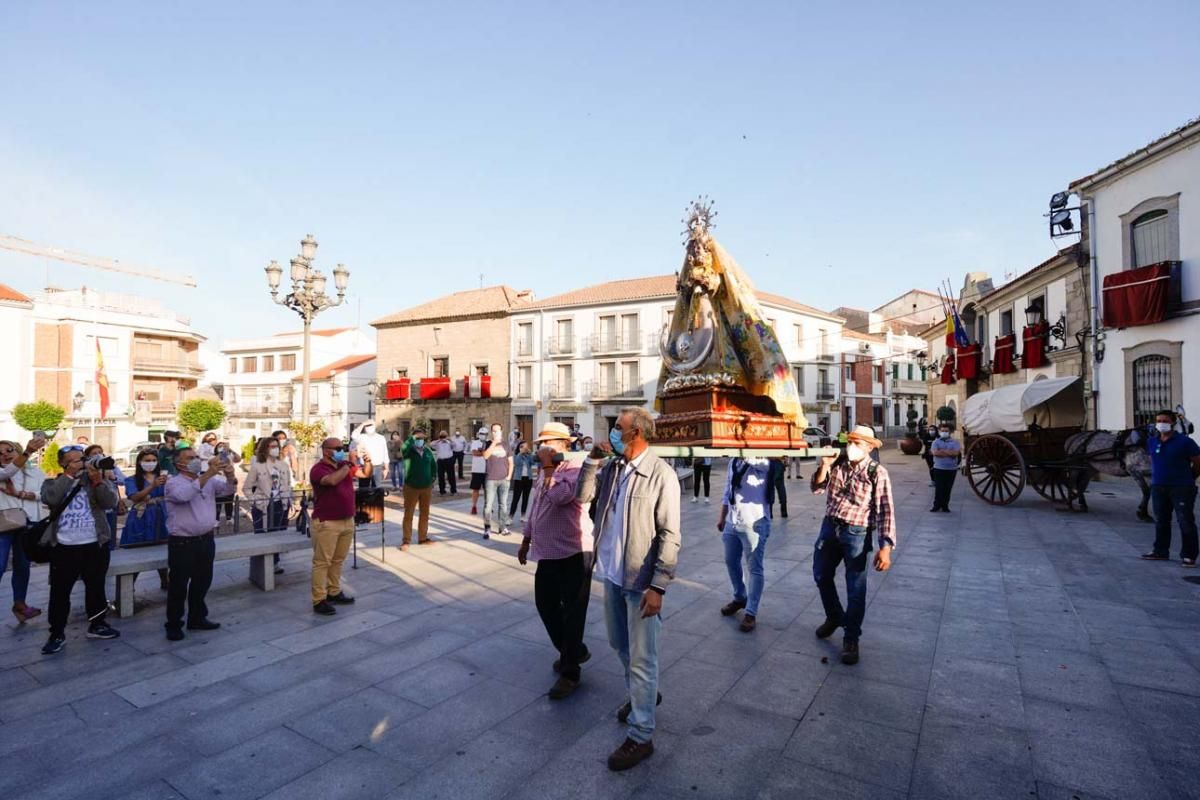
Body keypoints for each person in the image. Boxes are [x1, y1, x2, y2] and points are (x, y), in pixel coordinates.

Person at [577, 407, 681, 772]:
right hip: (611, 574)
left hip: (640, 581)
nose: (612, 434)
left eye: (618, 428)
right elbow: (582, 497)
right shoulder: (613, 469)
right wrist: (592, 460)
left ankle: (641, 735)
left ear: (636, 432)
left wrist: (658, 587)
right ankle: (645, 695)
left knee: (643, 658)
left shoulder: (661, 475)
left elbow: (670, 536)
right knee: (619, 645)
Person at [519, 422, 595, 699]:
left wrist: (549, 467)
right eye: (541, 443)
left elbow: (561, 497)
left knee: (573, 611)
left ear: (564, 444)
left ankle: (570, 671)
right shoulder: (545, 471)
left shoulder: (577, 470)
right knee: (545, 604)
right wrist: (526, 538)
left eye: (548, 442)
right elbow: (537, 504)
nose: (542, 447)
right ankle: (572, 650)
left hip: (574, 550)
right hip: (547, 551)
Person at [811, 424, 896, 666]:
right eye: (850, 441)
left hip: (857, 532)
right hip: (830, 527)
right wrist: (824, 465)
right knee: (820, 575)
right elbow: (817, 489)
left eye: (857, 443)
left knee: (855, 588)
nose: (852, 447)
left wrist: (886, 546)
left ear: (869, 447)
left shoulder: (877, 472)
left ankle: (851, 638)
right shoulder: (837, 463)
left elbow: (885, 511)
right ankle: (835, 616)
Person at [38, 445, 121, 655]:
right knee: (60, 592)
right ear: (63, 463)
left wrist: (97, 481)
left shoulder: (94, 481)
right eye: (74, 460)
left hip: (95, 543)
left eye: (82, 458)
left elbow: (110, 501)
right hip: (64, 546)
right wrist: (69, 475)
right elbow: (51, 498)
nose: (81, 463)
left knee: (96, 586)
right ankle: (56, 633)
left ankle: (97, 624)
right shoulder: (52, 482)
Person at [163, 446, 235, 640]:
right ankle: (174, 623)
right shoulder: (173, 483)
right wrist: (208, 474)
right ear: (179, 463)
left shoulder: (209, 480)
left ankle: (197, 617)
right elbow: (184, 496)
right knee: (178, 585)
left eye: (196, 456)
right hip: (182, 542)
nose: (195, 460)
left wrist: (230, 475)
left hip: (206, 539)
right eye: (190, 458)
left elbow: (228, 490)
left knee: (202, 582)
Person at [717, 457, 773, 632]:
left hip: (754, 522)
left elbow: (756, 461)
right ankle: (740, 596)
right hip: (732, 521)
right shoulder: (734, 461)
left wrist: (743, 447)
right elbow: (728, 490)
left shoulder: (763, 461)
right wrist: (722, 516)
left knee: (754, 567)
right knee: (730, 561)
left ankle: (751, 611)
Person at [1140, 409, 1200, 566]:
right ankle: (1160, 551)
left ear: (1173, 423)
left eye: (1165, 421)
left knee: (1185, 520)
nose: (1161, 424)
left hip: (1181, 487)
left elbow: (1198, 461)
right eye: (1159, 420)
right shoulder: (1152, 441)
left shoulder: (1185, 442)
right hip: (1158, 486)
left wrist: (1190, 477)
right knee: (1161, 520)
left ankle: (1189, 555)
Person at [309, 438, 360, 614]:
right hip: (327, 522)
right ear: (325, 450)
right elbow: (330, 481)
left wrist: (367, 463)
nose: (341, 451)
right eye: (337, 448)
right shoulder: (318, 469)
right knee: (322, 562)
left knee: (338, 560)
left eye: (342, 448)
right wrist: (346, 467)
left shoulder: (343, 465)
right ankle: (318, 600)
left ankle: (334, 591)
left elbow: (364, 474)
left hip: (347, 519)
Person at [0, 439, 44, 624]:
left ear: (16, 450)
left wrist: (25, 495)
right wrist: (27, 452)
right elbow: (9, 472)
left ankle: (20, 604)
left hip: (27, 523)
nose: (5, 455)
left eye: (9, 450)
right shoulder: (3, 472)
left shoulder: (35, 472)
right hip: (3, 525)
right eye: (0, 453)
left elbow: (46, 493)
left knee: (22, 565)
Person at [121, 447, 171, 591]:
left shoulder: (163, 477)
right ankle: (129, 586)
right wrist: (152, 487)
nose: (151, 463)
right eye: (147, 460)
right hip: (141, 516)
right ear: (140, 462)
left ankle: (165, 580)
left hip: (161, 514)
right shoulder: (131, 479)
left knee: (161, 548)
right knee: (137, 550)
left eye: (154, 460)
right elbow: (135, 497)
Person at [245, 437, 293, 575]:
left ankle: (275, 563)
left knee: (277, 533)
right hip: (263, 505)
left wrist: (288, 499)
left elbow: (287, 484)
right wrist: (255, 501)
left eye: (276, 446)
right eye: (272, 446)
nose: (275, 448)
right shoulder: (257, 466)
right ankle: (260, 566)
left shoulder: (283, 465)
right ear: (265, 448)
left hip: (280, 503)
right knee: (262, 535)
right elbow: (247, 488)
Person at [401, 428, 436, 549]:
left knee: (425, 513)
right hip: (411, 487)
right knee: (409, 513)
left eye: (422, 438)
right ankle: (406, 540)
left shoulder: (427, 451)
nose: (420, 440)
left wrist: (432, 478)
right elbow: (403, 448)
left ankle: (422, 538)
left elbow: (433, 465)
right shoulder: (408, 451)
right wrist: (413, 438)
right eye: (418, 438)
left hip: (426, 487)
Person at [481, 423, 514, 539]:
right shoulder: (487, 444)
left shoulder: (506, 445)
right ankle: (487, 528)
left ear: (502, 431)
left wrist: (509, 476)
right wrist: (494, 443)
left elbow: (511, 462)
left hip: (504, 479)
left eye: (497, 431)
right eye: (493, 431)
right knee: (488, 505)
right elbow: (485, 456)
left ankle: (502, 527)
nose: (495, 433)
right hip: (491, 479)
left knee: (503, 505)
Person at [929, 424, 961, 512]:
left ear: (950, 432)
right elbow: (935, 453)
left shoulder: (955, 442)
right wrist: (949, 453)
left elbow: (955, 453)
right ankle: (936, 506)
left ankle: (945, 506)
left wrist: (942, 451)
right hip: (939, 468)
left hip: (951, 469)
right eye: (942, 431)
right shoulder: (935, 442)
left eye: (946, 431)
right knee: (939, 488)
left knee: (948, 488)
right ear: (939, 431)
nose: (944, 432)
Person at [353, 422, 389, 488]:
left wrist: (386, 468)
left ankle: (376, 498)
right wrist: (363, 424)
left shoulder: (381, 438)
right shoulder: (361, 437)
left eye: (370, 425)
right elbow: (353, 435)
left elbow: (385, 453)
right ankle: (363, 498)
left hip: (377, 466)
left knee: (376, 488)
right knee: (363, 488)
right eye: (367, 426)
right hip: (365, 466)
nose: (369, 427)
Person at [510, 442, 535, 523]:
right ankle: (510, 517)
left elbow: (533, 462)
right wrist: (520, 453)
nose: (525, 448)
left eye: (526, 446)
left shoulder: (528, 456)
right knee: (515, 499)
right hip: (518, 479)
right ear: (519, 447)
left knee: (525, 498)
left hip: (528, 479)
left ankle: (523, 516)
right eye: (523, 447)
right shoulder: (516, 455)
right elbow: (516, 463)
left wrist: (530, 454)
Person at [469, 430, 488, 515]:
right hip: (477, 470)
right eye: (481, 434)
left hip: (487, 470)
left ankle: (488, 506)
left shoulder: (489, 443)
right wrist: (485, 453)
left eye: (484, 434)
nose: (483, 435)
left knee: (487, 490)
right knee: (475, 489)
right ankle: (474, 506)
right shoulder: (475, 443)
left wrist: (482, 452)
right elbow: (475, 453)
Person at [433, 430, 457, 495]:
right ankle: (442, 491)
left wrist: (449, 440)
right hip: (440, 461)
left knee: (451, 476)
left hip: (449, 460)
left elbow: (455, 445)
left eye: (444, 435)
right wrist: (439, 440)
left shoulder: (449, 442)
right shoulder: (438, 443)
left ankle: (453, 490)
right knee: (441, 476)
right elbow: (431, 445)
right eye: (442, 436)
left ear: (447, 436)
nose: (443, 437)